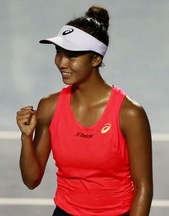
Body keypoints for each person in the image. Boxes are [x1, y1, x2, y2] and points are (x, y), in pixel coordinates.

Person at [16, 5, 153, 216]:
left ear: (96, 59)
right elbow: (31, 180)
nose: (61, 62)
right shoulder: (49, 107)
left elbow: (143, 187)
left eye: (71, 56)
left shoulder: (129, 114)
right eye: (59, 53)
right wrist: (26, 138)